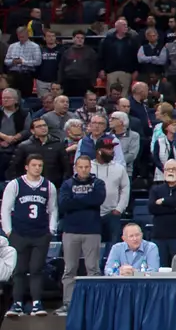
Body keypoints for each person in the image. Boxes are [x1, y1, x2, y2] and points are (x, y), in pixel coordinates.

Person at [1, 155, 55, 316]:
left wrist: (51, 230)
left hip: (40, 234)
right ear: (26, 167)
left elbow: (53, 209)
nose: (37, 168)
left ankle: (37, 304)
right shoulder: (15, 185)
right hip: (19, 234)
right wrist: (8, 231)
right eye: (34, 165)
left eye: (40, 165)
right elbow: (5, 208)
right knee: (19, 270)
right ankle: (16, 304)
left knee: (36, 269)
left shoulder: (48, 185)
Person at [56, 155, 105, 316]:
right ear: (75, 168)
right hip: (71, 231)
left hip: (92, 231)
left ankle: (95, 302)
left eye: (86, 167)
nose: (84, 170)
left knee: (93, 269)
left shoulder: (98, 183)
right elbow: (63, 204)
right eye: (80, 167)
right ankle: (68, 303)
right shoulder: (67, 184)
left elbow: (97, 199)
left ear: (90, 168)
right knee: (69, 269)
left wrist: (75, 200)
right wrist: (86, 200)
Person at [92, 135, 130, 244]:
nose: (112, 151)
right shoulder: (88, 167)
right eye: (108, 149)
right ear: (99, 151)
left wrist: (119, 209)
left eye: (112, 148)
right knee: (94, 246)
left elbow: (125, 189)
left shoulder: (119, 168)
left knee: (113, 246)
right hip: (92, 214)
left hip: (112, 214)